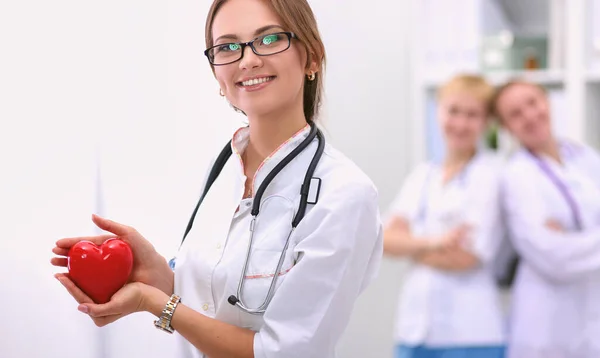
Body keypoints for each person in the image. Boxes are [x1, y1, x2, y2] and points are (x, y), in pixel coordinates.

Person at [50, 0, 383, 357]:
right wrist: (157, 274)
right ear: (216, 74)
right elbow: (218, 302)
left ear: (312, 57)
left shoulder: (345, 194)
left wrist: (155, 303)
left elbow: (284, 351)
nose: (248, 59)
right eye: (227, 47)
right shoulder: (222, 168)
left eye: (269, 39)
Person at [384, 74, 507, 358]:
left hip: (470, 334)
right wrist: (436, 243)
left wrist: (409, 245)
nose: (461, 123)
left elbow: (465, 257)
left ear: (486, 122)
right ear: (438, 111)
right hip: (414, 330)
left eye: (472, 115)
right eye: (453, 111)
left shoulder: (491, 176)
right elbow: (385, 241)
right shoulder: (423, 175)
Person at [493, 79, 600, 358]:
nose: (529, 115)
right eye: (515, 114)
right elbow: (553, 255)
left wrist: (572, 238)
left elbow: (566, 248)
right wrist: (570, 240)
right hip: (545, 328)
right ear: (506, 128)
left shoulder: (585, 158)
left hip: (591, 318)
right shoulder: (516, 176)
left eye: (532, 102)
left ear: (546, 102)